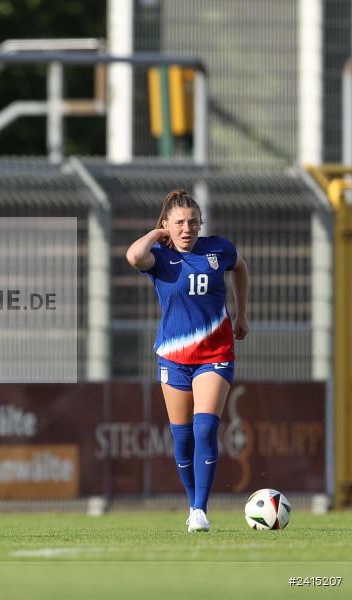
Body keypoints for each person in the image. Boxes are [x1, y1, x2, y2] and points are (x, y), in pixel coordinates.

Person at [125, 189, 249, 533]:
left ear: (201, 224)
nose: (187, 228)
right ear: (167, 225)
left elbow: (240, 267)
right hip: (174, 357)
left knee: (205, 427)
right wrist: (156, 234)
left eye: (193, 222)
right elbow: (134, 256)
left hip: (215, 354)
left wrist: (242, 314)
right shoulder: (159, 257)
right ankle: (191, 502)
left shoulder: (218, 249)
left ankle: (199, 509)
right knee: (181, 438)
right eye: (179, 223)